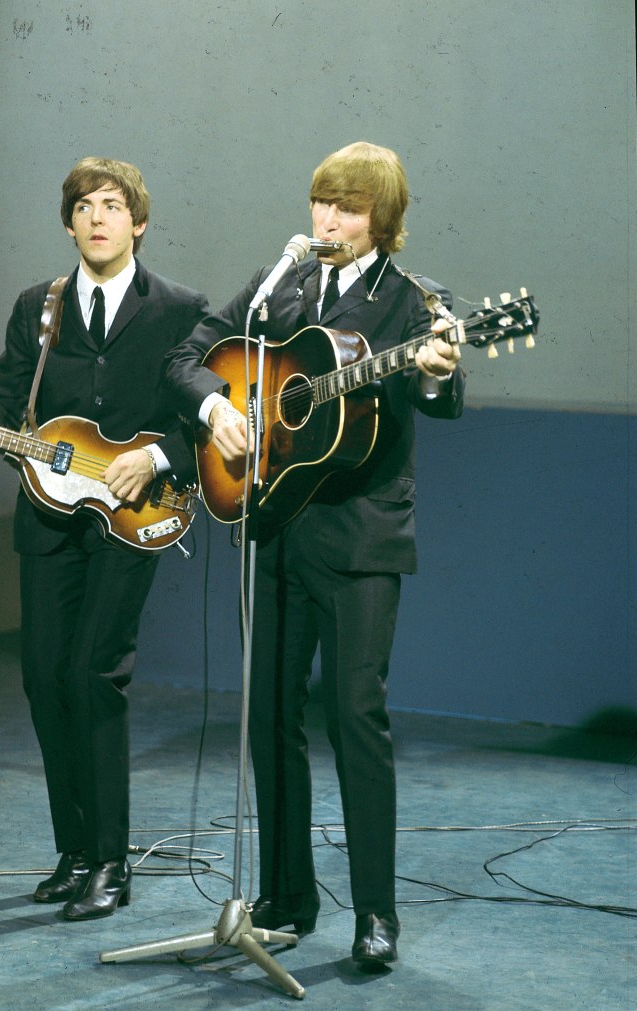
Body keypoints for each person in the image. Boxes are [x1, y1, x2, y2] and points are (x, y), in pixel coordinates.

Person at [0, 157, 209, 921]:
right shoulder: (38, 307)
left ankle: (114, 863)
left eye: (112, 205)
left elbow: (201, 420)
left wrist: (155, 458)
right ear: (68, 223)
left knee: (96, 674)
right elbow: (3, 408)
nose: (97, 217)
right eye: (83, 206)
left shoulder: (182, 309)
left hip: (136, 516)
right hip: (48, 518)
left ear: (138, 221)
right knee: (45, 678)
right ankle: (76, 851)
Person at [164, 142, 464, 967]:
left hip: (362, 536)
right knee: (268, 716)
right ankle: (286, 895)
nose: (330, 220)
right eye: (324, 203)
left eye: (352, 208)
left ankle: (376, 914)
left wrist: (434, 370)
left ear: (384, 220)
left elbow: (442, 396)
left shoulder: (411, 302)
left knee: (355, 716)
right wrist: (215, 411)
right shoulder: (280, 286)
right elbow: (187, 355)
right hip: (274, 523)